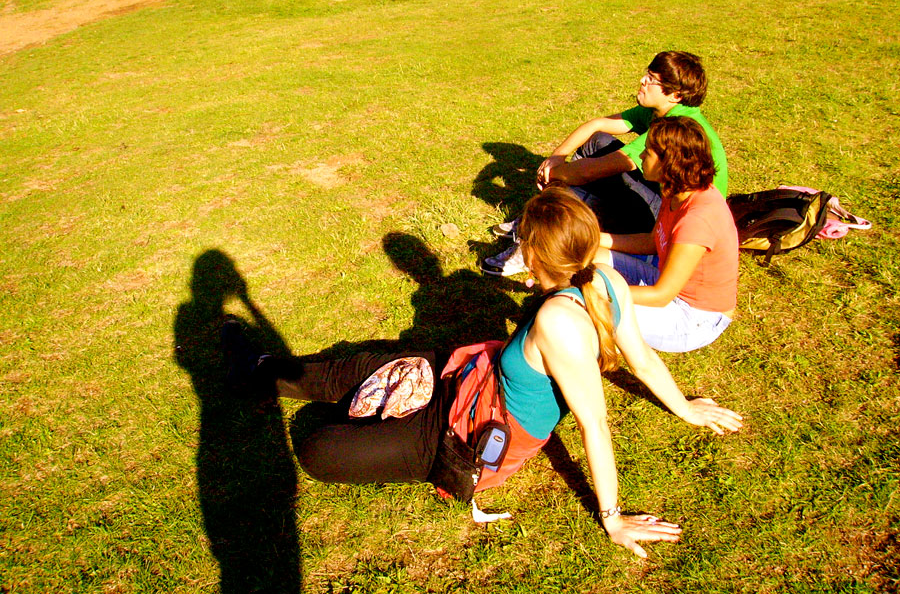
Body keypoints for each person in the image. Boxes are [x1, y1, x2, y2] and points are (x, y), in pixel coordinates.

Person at [224, 186, 742, 559]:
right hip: (474, 379)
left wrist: (613, 519)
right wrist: (686, 408)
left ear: (534, 253)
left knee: (318, 449)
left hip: (469, 432)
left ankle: (362, 411)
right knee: (363, 366)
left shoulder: (560, 322)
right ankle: (262, 369)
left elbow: (595, 425)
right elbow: (643, 360)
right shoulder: (606, 277)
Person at [481, 51, 728, 277]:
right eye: (647, 73)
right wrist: (557, 156)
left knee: (583, 183)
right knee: (597, 143)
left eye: (652, 79)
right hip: (665, 197)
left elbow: (591, 171)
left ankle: (537, 240)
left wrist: (554, 174)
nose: (643, 80)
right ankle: (541, 221)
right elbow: (597, 125)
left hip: (672, 221)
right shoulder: (659, 110)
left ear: (675, 95)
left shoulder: (674, 130)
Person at [596, 117, 739, 353]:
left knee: (595, 307)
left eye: (648, 151)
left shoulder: (697, 219)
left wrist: (599, 292)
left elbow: (661, 295)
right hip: (666, 283)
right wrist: (595, 239)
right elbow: (651, 242)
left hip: (694, 317)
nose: (641, 155)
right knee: (593, 257)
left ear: (668, 162)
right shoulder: (676, 191)